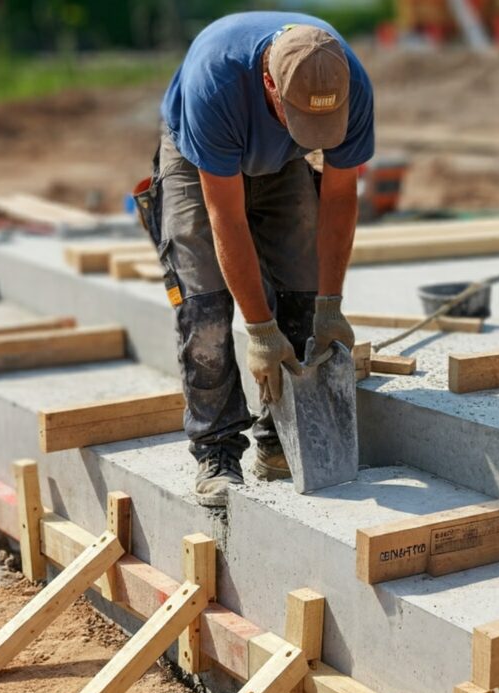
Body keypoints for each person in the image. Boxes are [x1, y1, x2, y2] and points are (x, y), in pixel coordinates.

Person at [134, 12, 374, 507]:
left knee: (304, 293)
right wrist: (261, 331)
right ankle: (217, 450)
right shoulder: (217, 80)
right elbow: (227, 220)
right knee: (204, 307)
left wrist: (330, 304)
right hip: (199, 157)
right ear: (269, 81)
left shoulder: (347, 79)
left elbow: (339, 200)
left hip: (281, 159)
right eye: (301, 118)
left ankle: (280, 442)